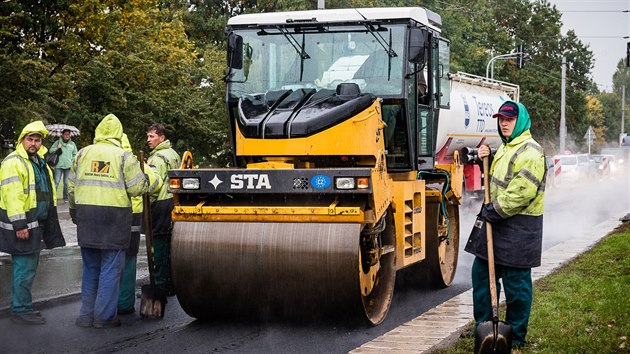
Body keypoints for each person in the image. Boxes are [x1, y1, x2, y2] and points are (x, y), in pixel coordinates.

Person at [464, 100, 546, 349]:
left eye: (509, 119)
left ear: (519, 121)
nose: (504, 123)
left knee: (517, 286)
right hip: (496, 223)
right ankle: (485, 328)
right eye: (501, 119)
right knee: (481, 276)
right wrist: (481, 161)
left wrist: (493, 211)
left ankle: (516, 336)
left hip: (519, 227)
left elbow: (522, 192)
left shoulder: (531, 151)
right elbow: (496, 181)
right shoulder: (505, 148)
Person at [68, 114, 149, 328]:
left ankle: (85, 316)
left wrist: (74, 211)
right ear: (118, 133)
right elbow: (136, 188)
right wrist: (146, 180)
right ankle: (103, 317)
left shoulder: (82, 153)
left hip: (86, 217)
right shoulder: (124, 156)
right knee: (110, 270)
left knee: (90, 268)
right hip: (114, 219)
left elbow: (71, 187)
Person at [0, 121, 65, 325]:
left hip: (36, 222)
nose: (34, 143)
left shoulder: (38, 161)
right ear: (22, 140)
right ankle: (20, 310)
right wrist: (20, 225)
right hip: (23, 224)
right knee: (24, 267)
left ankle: (24, 306)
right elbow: (13, 195)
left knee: (28, 267)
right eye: (30, 139)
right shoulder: (14, 162)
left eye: (37, 140)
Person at [117, 134, 162, 315]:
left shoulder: (98, 158)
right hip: (132, 217)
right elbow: (156, 184)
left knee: (106, 263)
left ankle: (105, 304)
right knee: (128, 261)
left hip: (106, 217)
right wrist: (148, 175)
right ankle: (125, 303)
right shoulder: (134, 161)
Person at [146, 123, 180, 296]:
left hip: (160, 204)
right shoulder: (173, 154)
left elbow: (153, 186)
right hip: (173, 202)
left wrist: (146, 205)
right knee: (169, 244)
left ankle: (161, 284)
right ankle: (171, 282)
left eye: (152, 136)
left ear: (162, 137)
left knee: (158, 244)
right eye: (148, 136)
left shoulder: (157, 159)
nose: (148, 140)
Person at [48, 129, 78, 203]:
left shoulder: (72, 144)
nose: (67, 135)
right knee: (56, 182)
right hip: (59, 165)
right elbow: (51, 150)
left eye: (68, 134)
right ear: (62, 135)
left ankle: (66, 198)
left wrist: (72, 160)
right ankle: (52, 197)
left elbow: (75, 154)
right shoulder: (57, 142)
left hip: (68, 166)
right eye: (65, 134)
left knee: (66, 183)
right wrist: (57, 148)